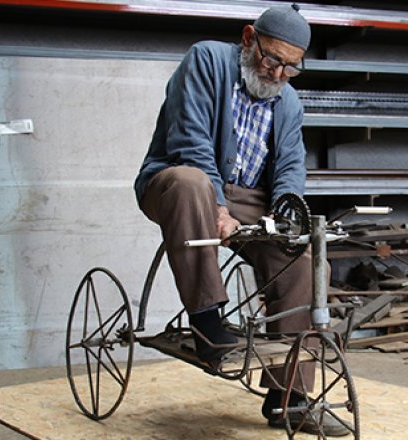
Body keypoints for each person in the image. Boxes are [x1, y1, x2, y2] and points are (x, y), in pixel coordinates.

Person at [134, 4, 348, 436]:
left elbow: (290, 166)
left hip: (250, 197)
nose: (278, 74)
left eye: (291, 67)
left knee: (307, 261)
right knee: (193, 182)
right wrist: (217, 207)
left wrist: (285, 214)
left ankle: (289, 399)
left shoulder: (287, 99)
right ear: (249, 38)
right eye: (272, 59)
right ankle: (208, 321)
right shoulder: (207, 60)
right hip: (178, 182)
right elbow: (189, 139)